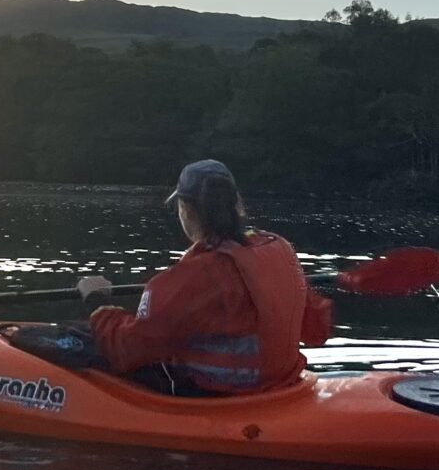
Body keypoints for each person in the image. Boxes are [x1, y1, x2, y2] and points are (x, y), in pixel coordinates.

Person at [78, 159, 331, 395]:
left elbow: (127, 348)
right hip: (281, 385)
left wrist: (97, 303)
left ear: (186, 210)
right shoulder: (280, 248)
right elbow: (316, 329)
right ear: (236, 204)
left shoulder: (197, 275)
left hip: (222, 395)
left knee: (79, 343)